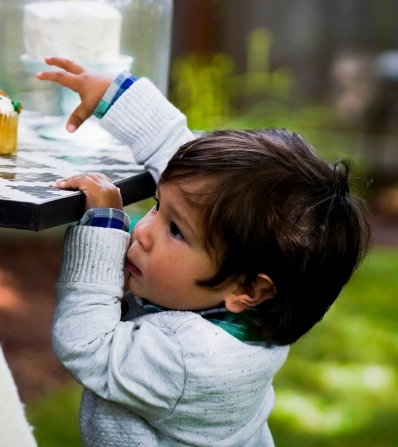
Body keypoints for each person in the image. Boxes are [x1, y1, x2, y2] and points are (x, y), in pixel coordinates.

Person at [36, 57, 371, 447]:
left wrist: (103, 227)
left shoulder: (190, 361)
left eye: (175, 231)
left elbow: (87, 344)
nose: (142, 230)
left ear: (249, 288)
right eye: (159, 206)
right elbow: (180, 160)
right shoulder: (254, 310)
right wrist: (115, 94)